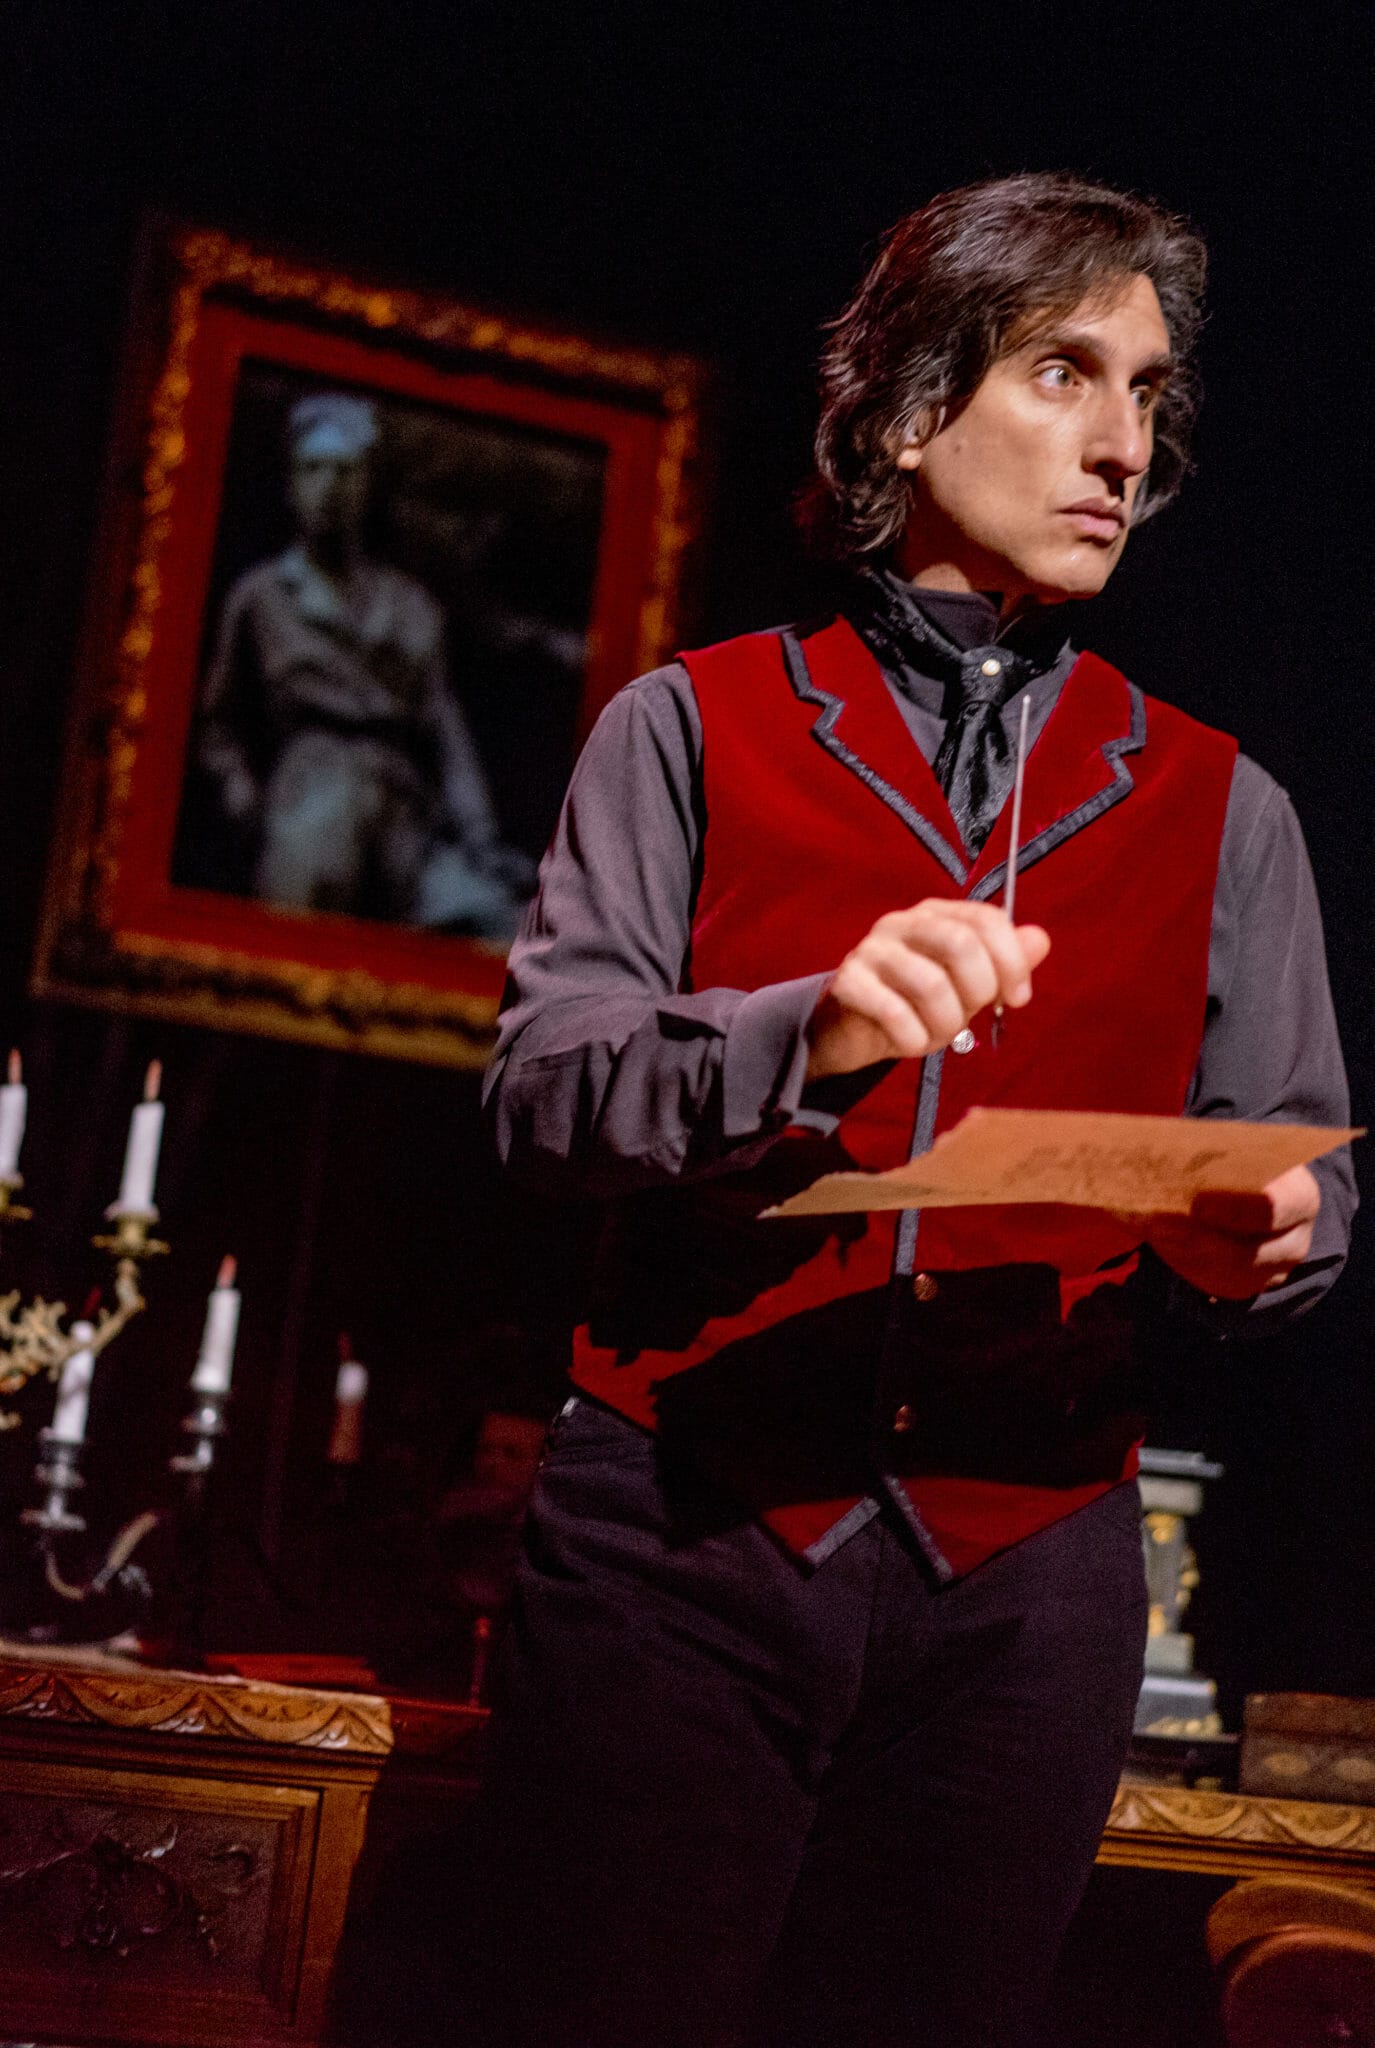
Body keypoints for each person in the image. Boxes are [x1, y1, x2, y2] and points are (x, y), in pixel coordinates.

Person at [475, 174, 1355, 2048]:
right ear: (899, 411)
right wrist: (808, 1033)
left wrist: (1264, 1240)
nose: (1123, 444)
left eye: (1147, 393)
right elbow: (544, 1096)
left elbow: (1299, 1189)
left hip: (1023, 1588)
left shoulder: (1226, 807)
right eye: (1063, 372)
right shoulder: (689, 725)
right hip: (682, 1542)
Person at [197, 391, 533, 935]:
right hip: (312, 797)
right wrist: (241, 792)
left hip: (405, 812)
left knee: (498, 925)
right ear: (293, 485)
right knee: (298, 937)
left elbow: (445, 730)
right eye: (314, 469)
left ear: (366, 485)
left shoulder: (411, 605)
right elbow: (220, 721)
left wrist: (480, 835)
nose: (330, 487)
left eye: (345, 471)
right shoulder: (262, 597)